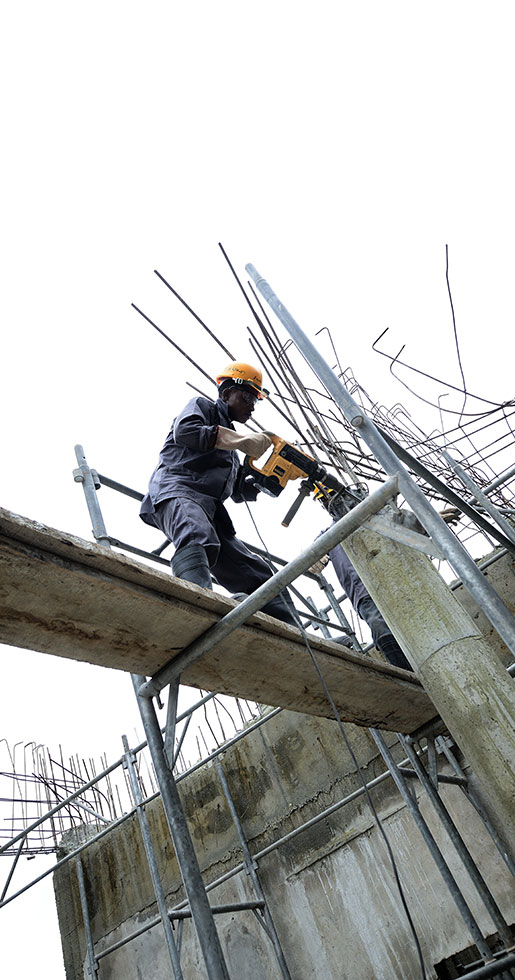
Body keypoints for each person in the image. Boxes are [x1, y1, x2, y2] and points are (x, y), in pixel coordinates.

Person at [140, 361, 297, 626]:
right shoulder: (203, 407)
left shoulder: (231, 454)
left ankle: (297, 634)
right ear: (226, 394)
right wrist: (242, 441)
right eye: (248, 396)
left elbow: (236, 492)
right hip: (176, 491)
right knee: (196, 533)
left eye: (255, 400)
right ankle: (198, 608)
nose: (252, 405)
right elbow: (186, 432)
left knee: (258, 574)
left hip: (211, 512)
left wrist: (261, 482)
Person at [314, 488, 413, 671]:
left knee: (412, 625)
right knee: (379, 626)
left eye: (333, 497)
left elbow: (405, 525)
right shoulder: (328, 534)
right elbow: (313, 565)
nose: (330, 503)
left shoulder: (374, 516)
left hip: (394, 581)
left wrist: (427, 521)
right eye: (326, 500)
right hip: (363, 593)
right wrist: (316, 556)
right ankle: (408, 675)